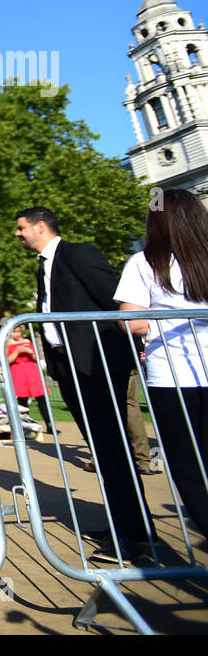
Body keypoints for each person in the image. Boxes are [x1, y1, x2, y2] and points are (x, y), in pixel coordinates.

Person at [14, 207, 153, 562]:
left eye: (21, 228)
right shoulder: (43, 265)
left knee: (111, 448)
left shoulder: (79, 254)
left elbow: (115, 305)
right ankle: (129, 525)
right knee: (103, 449)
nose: (18, 234)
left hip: (96, 366)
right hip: (70, 368)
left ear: (40, 227)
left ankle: (132, 536)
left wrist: (128, 352)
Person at [114, 189, 208, 537]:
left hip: (173, 375)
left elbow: (131, 321)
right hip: (185, 370)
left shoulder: (145, 262)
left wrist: (159, 319)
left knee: (187, 467)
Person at [6, 326, 49, 426]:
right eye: (15, 332)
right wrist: (17, 351)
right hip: (17, 371)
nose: (17, 334)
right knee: (22, 399)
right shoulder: (7, 344)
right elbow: (7, 360)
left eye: (19, 332)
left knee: (41, 398)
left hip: (31, 370)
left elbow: (37, 358)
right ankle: (26, 424)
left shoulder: (27, 342)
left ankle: (49, 423)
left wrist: (30, 352)